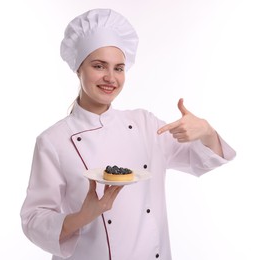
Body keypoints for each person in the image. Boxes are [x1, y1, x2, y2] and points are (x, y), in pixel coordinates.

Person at [20, 8, 236, 260]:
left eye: (119, 68)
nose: (110, 78)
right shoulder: (53, 141)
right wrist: (82, 216)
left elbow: (202, 160)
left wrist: (206, 131)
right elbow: (33, 220)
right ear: (79, 68)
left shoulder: (145, 124)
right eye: (99, 66)